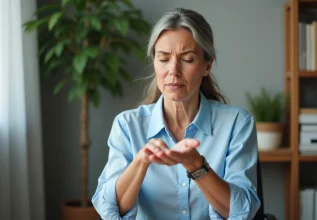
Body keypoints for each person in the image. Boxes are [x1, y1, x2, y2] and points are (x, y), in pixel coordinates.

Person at [92, 7, 260, 220]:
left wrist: (196, 166)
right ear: (154, 62)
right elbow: (110, 210)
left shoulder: (237, 123)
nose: (173, 70)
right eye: (163, 59)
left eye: (187, 59)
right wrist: (141, 161)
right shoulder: (127, 125)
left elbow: (242, 211)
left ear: (207, 65)